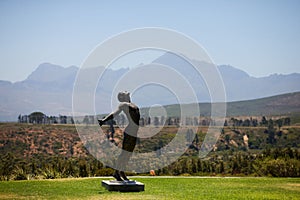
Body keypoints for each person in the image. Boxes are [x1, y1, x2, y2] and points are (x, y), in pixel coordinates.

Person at [98, 91, 140, 181]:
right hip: (130, 132)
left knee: (128, 154)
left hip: (134, 132)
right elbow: (114, 114)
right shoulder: (123, 104)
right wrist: (104, 120)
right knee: (124, 153)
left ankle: (121, 172)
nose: (127, 93)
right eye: (125, 93)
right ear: (122, 97)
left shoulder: (130, 104)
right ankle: (116, 172)